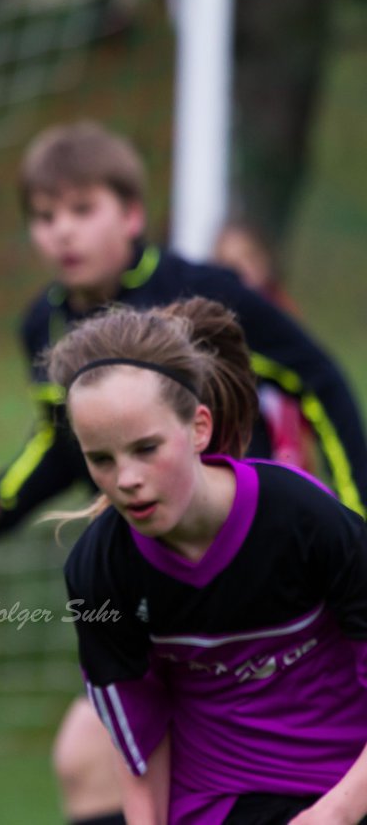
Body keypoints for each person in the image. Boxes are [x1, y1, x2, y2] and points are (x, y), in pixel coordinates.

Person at [0, 120, 367, 825]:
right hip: (164, 587)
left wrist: (356, 512)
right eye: (45, 218)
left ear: (132, 214)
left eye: (82, 211)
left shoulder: (202, 290)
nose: (63, 234)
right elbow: (59, 443)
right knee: (87, 760)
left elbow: (317, 378)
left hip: (264, 571)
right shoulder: (42, 328)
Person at [50, 297, 367, 824]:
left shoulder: (303, 518)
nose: (125, 479)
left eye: (146, 448)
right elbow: (138, 738)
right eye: (101, 459)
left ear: (198, 428)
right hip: (223, 801)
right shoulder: (101, 572)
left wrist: (334, 813)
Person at [212, 218, 314, 474]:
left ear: (265, 262)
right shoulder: (214, 323)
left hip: (284, 446)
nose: (239, 270)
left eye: (247, 258)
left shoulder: (283, 315)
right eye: (228, 263)